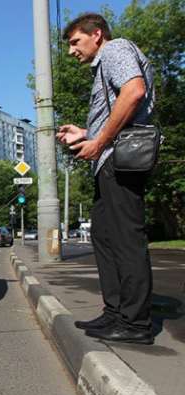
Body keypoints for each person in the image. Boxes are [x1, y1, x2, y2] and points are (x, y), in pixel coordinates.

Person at [56, 14, 155, 344]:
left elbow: (134, 92)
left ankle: (135, 323)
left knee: (126, 239)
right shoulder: (103, 64)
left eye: (75, 42)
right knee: (104, 235)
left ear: (96, 34)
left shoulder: (115, 50)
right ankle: (114, 312)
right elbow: (119, 107)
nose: (71, 51)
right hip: (109, 162)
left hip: (120, 161)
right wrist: (85, 133)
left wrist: (99, 142)